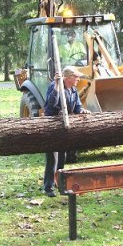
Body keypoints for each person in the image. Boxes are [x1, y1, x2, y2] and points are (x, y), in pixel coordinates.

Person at [43, 65, 91, 197]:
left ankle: (60, 185)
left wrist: (82, 111)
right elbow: (51, 106)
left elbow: (76, 108)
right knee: (52, 157)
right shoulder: (54, 86)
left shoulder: (73, 90)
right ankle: (48, 187)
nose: (78, 79)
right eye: (76, 77)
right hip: (52, 126)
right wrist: (58, 86)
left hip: (63, 127)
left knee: (62, 158)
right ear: (68, 77)